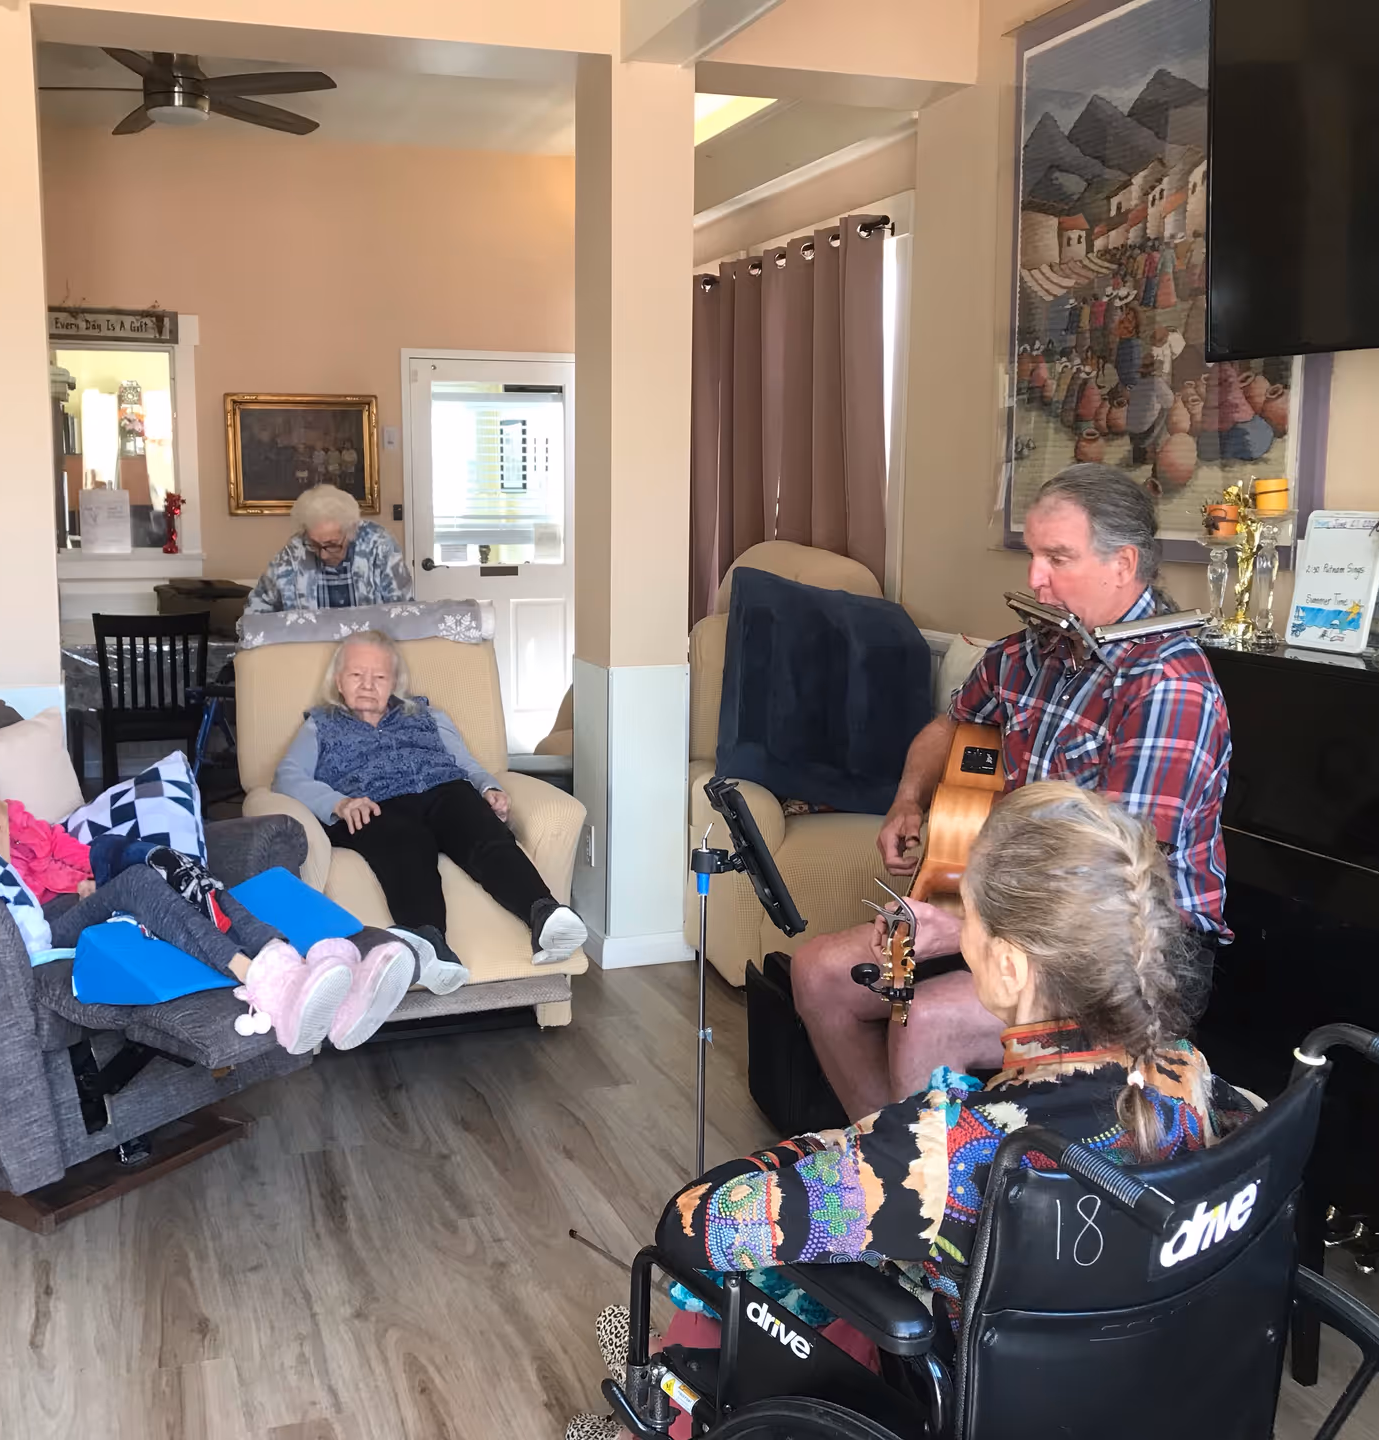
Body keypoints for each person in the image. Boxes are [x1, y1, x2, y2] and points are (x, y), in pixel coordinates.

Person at [562, 787, 1254, 1438]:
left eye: (970, 917)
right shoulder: (1185, 1075)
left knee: (730, 1271)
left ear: (1009, 968)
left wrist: (831, 1146)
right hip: (1131, 1391)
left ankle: (652, 1404)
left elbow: (693, 1224)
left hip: (956, 1397)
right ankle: (661, 1353)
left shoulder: (945, 1153)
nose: (962, 934)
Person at [794, 464, 1232, 1121]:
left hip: (1124, 952)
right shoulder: (1033, 652)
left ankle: (942, 1206)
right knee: (818, 973)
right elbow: (951, 726)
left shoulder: (1168, 686)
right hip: (1011, 910)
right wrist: (909, 800)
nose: (1034, 578)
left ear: (1124, 564)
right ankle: (893, 1161)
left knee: (927, 1021)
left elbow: (1108, 878)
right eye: (1034, 554)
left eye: (1058, 557)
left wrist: (966, 926)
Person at [0, 745, 421, 1052]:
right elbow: (0, 908)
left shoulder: (21, 818)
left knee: (159, 863)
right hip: (44, 932)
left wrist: (88, 876)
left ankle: (297, 963)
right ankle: (267, 976)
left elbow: (80, 854)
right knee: (135, 882)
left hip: (84, 902)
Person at [272, 631, 588, 973]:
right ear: (338, 682)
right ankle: (430, 945)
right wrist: (338, 803)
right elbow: (287, 776)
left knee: (477, 825)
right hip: (374, 805)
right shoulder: (321, 725)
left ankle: (544, 914)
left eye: (379, 676)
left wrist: (487, 789)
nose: (367, 685)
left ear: (394, 682)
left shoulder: (427, 715)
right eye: (356, 675)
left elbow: (466, 764)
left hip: (443, 790)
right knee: (407, 842)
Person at [245, 483, 413, 612]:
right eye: (315, 545)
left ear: (352, 531)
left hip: (368, 652)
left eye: (332, 545)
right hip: (310, 651)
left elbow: (403, 612)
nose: (323, 555)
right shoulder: (293, 553)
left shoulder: (380, 546)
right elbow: (257, 610)